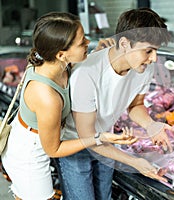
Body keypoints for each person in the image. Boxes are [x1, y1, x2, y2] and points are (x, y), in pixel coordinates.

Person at [1, 12, 161, 200]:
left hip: (54, 137)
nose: (88, 42)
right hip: (31, 151)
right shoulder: (46, 96)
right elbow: (53, 149)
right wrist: (98, 137)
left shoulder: (59, 64)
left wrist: (94, 55)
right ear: (61, 54)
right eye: (81, 42)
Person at [58, 7, 174, 200]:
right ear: (125, 43)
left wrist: (150, 125)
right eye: (148, 50)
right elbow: (88, 137)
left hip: (107, 141)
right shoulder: (87, 73)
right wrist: (134, 162)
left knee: (104, 196)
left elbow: (135, 105)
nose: (154, 58)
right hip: (77, 145)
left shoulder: (144, 68)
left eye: (156, 51)